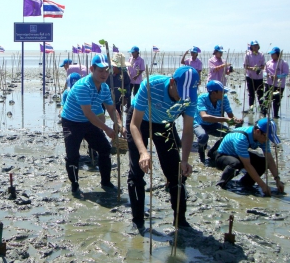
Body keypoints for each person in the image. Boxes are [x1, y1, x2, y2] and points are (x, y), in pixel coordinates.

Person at [126, 66, 199, 231]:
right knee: (137, 172)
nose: (183, 98)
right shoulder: (151, 85)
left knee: (176, 173)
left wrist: (185, 160)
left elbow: (187, 131)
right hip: (140, 121)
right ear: (172, 82)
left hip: (164, 125)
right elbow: (134, 125)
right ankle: (138, 221)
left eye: (187, 94)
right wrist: (144, 152)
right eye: (180, 91)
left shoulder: (191, 97)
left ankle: (180, 221)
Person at [61, 54, 125, 194]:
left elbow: (111, 108)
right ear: (92, 69)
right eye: (100, 70)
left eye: (106, 70)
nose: (104, 74)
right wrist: (107, 129)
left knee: (104, 149)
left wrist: (119, 125)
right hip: (72, 121)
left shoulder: (105, 88)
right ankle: (75, 185)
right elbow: (89, 113)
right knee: (73, 156)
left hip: (89, 122)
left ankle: (106, 183)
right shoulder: (83, 86)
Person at [215, 118, 284, 196]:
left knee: (263, 162)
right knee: (236, 163)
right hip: (223, 156)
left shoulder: (262, 137)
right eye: (267, 137)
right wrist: (263, 185)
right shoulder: (241, 138)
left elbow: (270, 159)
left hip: (238, 154)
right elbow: (247, 165)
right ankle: (221, 183)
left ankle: (245, 183)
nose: (267, 140)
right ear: (258, 132)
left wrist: (277, 179)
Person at [194, 80, 243, 163]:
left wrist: (236, 120)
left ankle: (212, 152)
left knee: (229, 135)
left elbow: (230, 115)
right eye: (222, 92)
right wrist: (225, 119)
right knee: (203, 136)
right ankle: (202, 156)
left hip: (213, 124)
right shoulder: (202, 99)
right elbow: (204, 117)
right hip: (199, 124)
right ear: (213, 93)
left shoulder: (224, 98)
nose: (224, 94)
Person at [262, 47, 288, 118]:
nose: (272, 55)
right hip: (269, 83)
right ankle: (264, 114)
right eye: (271, 54)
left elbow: (286, 73)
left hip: (279, 85)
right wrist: (266, 75)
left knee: (276, 101)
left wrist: (277, 76)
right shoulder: (268, 63)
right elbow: (264, 71)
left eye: (273, 54)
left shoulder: (283, 63)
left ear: (278, 54)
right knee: (267, 99)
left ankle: (275, 115)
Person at [244, 40, 265, 111]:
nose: (255, 47)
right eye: (254, 46)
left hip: (259, 77)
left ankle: (262, 109)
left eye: (256, 45)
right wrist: (253, 68)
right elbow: (245, 66)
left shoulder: (261, 55)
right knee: (251, 94)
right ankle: (251, 108)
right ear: (251, 47)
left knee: (260, 94)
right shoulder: (247, 55)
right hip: (250, 77)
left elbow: (263, 66)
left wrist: (258, 68)